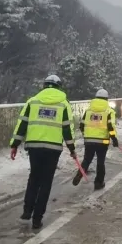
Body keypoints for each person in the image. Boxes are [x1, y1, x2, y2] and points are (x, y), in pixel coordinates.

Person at [10, 74, 76, 230]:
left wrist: (15, 144)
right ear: (59, 87)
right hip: (53, 149)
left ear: (44, 86)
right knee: (46, 182)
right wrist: (72, 149)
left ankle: (27, 211)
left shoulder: (32, 102)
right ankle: (37, 219)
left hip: (34, 146)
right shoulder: (63, 105)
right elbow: (67, 129)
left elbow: (22, 124)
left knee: (34, 178)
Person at [73, 88, 118, 191]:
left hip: (89, 141)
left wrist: (86, 135)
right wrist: (114, 138)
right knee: (100, 162)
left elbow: (81, 125)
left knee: (87, 159)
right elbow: (110, 126)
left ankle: (80, 173)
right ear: (107, 99)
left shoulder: (89, 111)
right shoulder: (109, 111)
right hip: (103, 141)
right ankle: (98, 183)